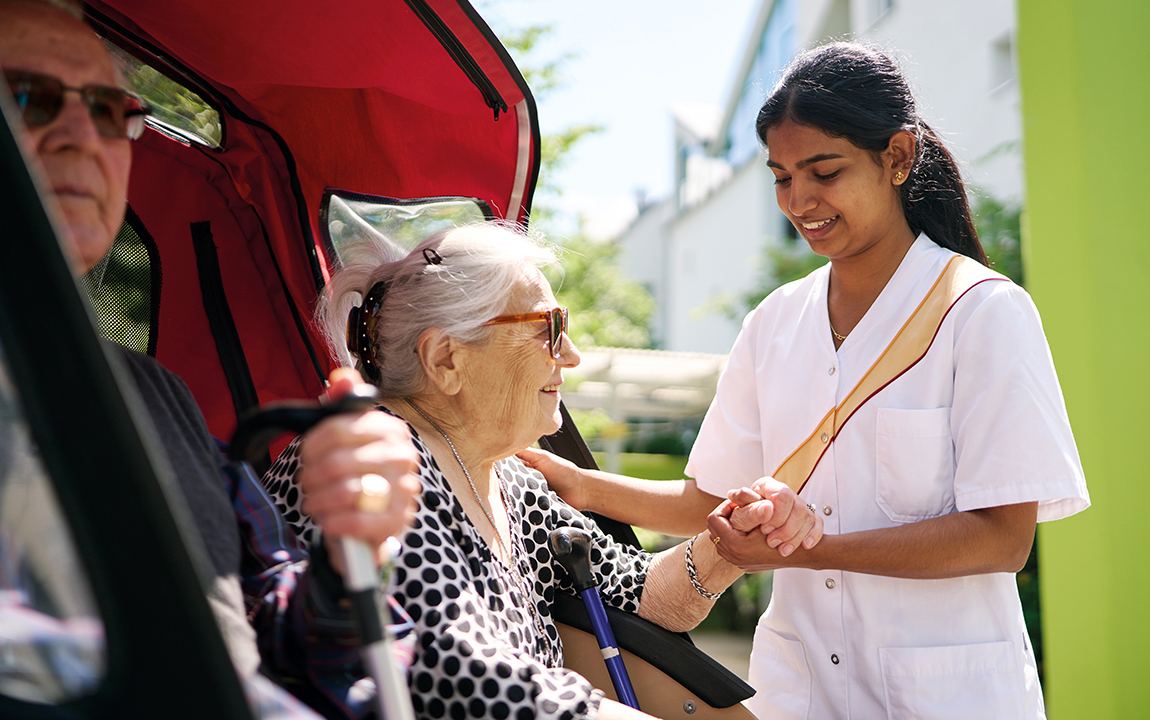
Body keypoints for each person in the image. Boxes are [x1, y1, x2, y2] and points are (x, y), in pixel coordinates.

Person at [521, 42, 1090, 720]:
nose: (800, 200)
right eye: (782, 177)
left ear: (898, 158)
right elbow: (706, 496)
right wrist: (579, 485)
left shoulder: (983, 312)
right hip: (798, 689)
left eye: (824, 171)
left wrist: (810, 549)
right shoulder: (774, 322)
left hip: (946, 695)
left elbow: (1003, 539)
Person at [0, 2, 421, 716]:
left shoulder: (156, 392)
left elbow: (288, 640)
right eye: (27, 98)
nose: (79, 136)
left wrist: (353, 554)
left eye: (109, 110)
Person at [262, 222, 748, 720]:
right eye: (549, 328)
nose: (573, 354)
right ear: (446, 358)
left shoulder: (508, 477)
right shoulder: (376, 464)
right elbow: (470, 686)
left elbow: (641, 594)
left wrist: (733, 542)